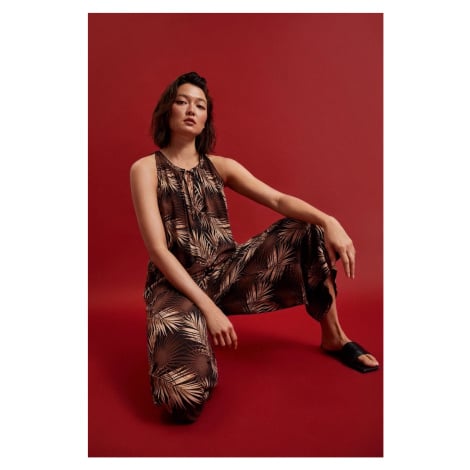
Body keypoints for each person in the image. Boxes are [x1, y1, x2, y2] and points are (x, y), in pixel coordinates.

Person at [130, 71, 379, 423]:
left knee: (306, 228)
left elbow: (277, 199)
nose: (191, 110)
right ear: (167, 110)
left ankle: (334, 337)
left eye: (200, 105)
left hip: (226, 274)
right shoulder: (145, 169)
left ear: (206, 118)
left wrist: (329, 221)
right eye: (182, 101)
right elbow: (158, 250)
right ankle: (194, 338)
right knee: (182, 401)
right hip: (174, 287)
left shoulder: (221, 167)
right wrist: (208, 310)